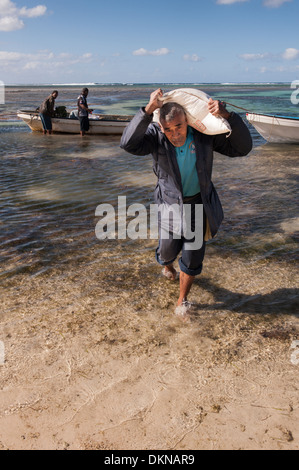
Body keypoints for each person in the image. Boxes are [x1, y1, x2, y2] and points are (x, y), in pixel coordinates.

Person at [120, 88, 253, 319]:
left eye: (179, 126)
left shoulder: (203, 135)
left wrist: (228, 116)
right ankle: (166, 264)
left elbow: (243, 148)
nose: (175, 134)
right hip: (170, 205)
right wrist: (147, 110)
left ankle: (182, 299)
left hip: (197, 205)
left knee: (192, 257)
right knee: (167, 251)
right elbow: (128, 144)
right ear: (161, 126)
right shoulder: (155, 136)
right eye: (168, 129)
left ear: (187, 122)